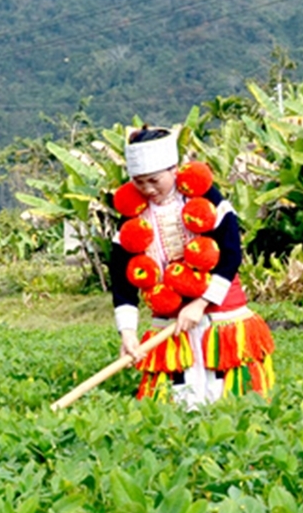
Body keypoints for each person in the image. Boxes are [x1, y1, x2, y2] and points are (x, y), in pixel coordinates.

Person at [108, 127, 274, 406]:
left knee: (229, 391)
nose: (148, 189)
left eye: (154, 180)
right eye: (139, 182)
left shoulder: (207, 199)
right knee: (176, 398)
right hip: (168, 314)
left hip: (220, 310)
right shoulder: (131, 219)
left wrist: (200, 303)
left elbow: (231, 254)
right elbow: (122, 281)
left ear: (174, 169)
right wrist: (128, 333)